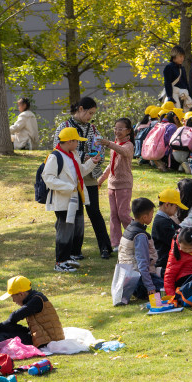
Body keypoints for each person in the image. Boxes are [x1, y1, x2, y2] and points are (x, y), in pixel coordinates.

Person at [53, 97, 112, 259]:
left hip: (90, 174)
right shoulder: (64, 127)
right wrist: (85, 156)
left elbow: (100, 147)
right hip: (71, 176)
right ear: (80, 109)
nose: (90, 116)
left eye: (93, 113)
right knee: (74, 213)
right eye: (89, 113)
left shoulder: (93, 128)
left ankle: (105, 247)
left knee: (94, 211)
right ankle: (73, 250)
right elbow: (57, 149)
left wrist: (98, 154)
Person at [43, 127, 102, 271]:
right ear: (70, 141)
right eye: (77, 141)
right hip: (63, 201)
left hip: (76, 198)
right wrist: (68, 186)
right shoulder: (55, 156)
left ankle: (69, 256)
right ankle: (60, 262)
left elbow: (79, 171)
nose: (78, 144)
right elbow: (48, 178)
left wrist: (92, 163)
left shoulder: (73, 154)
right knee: (64, 230)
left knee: (76, 228)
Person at [0, 275, 64, 350]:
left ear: (21, 294)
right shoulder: (36, 297)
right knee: (8, 328)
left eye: (13, 297)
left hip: (47, 340)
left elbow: (13, 317)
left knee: (5, 334)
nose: (13, 301)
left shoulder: (36, 300)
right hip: (44, 336)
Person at [97, 118, 135, 252]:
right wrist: (101, 180)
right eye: (115, 128)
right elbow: (110, 165)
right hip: (112, 185)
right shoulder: (114, 144)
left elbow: (123, 151)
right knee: (113, 215)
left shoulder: (128, 145)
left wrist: (108, 144)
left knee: (123, 214)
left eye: (120, 129)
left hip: (124, 185)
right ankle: (117, 243)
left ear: (128, 131)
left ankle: (136, 237)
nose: (117, 131)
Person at [117, 197, 163, 300]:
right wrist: (150, 286)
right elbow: (142, 263)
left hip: (128, 279)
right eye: (152, 214)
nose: (152, 216)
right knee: (168, 290)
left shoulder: (129, 228)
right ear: (144, 217)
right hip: (139, 281)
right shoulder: (140, 236)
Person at [151, 189, 186, 276]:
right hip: (164, 262)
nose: (176, 210)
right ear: (167, 205)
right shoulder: (161, 222)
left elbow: (180, 229)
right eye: (176, 207)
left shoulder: (166, 219)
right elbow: (176, 240)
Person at [162, 45, 192, 110]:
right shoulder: (169, 67)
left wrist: (190, 96)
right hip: (173, 95)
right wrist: (170, 97)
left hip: (183, 96)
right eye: (180, 56)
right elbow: (167, 83)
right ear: (174, 56)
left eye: (183, 57)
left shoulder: (182, 68)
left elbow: (186, 84)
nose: (182, 59)